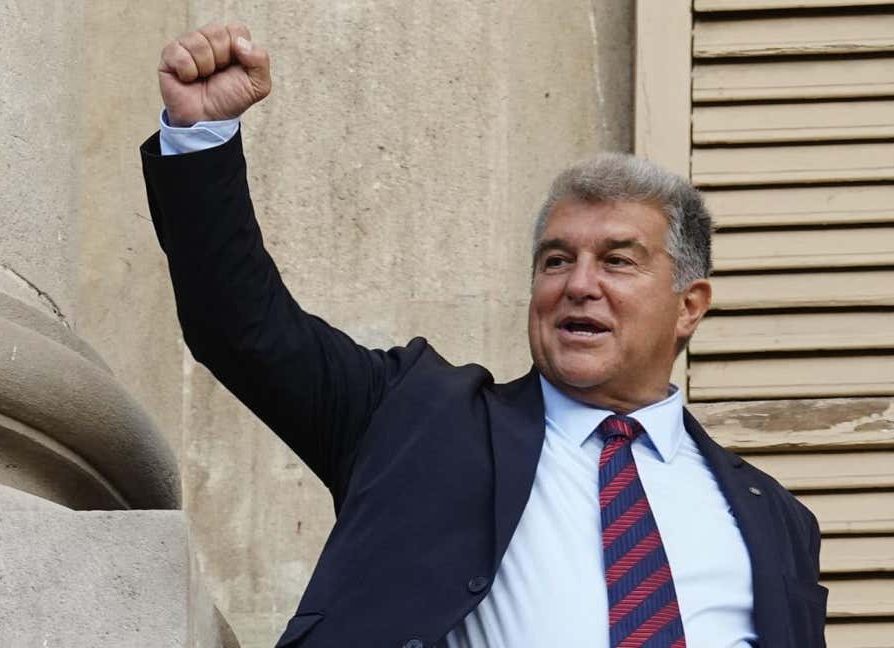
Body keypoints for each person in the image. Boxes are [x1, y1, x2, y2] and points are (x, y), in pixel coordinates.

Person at [141, 22, 826, 648]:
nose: (578, 284)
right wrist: (201, 135)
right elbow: (243, 329)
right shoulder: (416, 418)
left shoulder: (774, 522)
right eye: (557, 260)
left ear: (688, 306)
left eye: (617, 260)